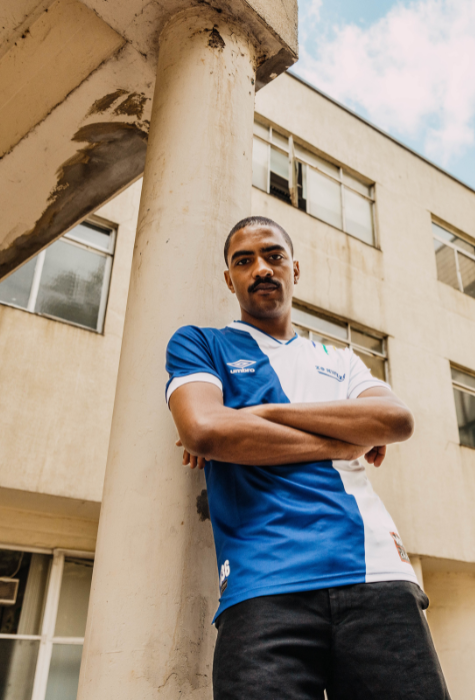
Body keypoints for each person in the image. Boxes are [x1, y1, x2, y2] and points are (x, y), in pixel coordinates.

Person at [165, 216, 451, 700]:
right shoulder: (200, 344)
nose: (261, 268)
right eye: (244, 260)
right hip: (262, 588)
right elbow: (206, 430)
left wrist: (263, 415)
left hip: (375, 575)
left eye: (273, 256)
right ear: (229, 278)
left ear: (294, 269)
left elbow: (397, 421)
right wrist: (346, 439)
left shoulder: (341, 361)